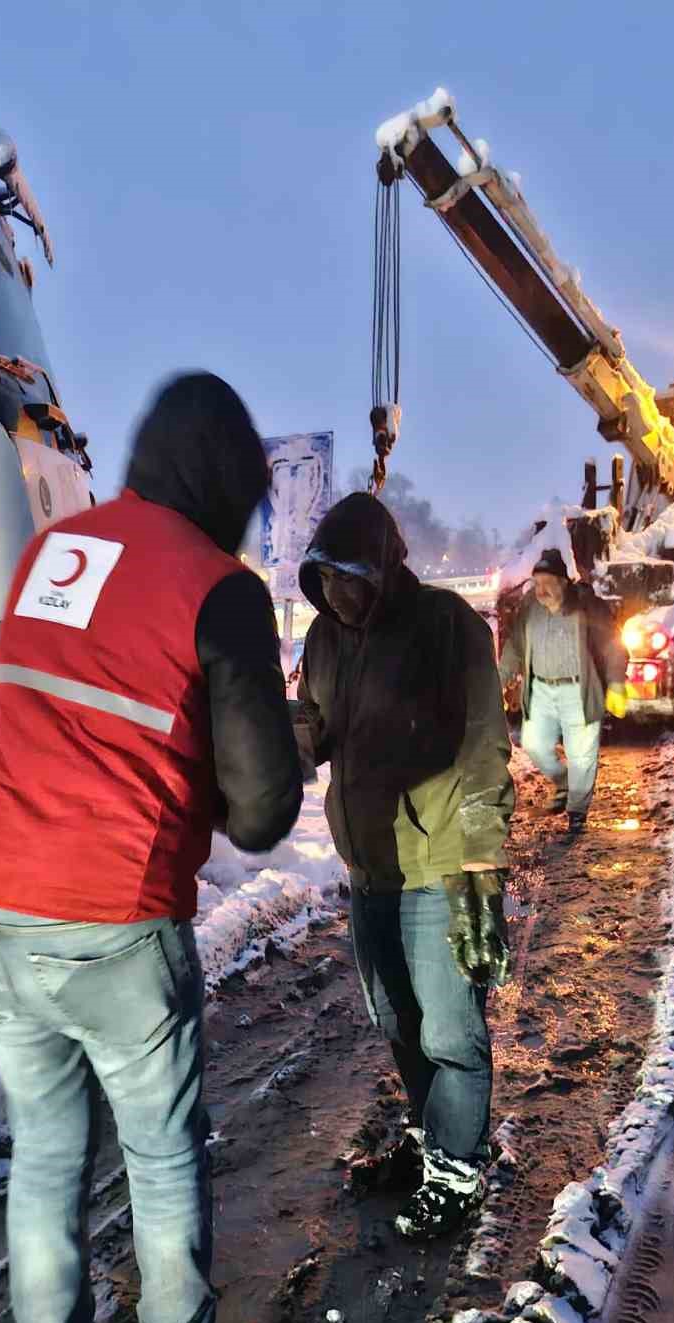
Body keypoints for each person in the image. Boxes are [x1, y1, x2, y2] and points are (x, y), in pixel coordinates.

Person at [0, 373, 303, 1323]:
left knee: (45, 1153)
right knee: (158, 1149)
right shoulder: (218, 588)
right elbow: (263, 808)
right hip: (105, 910)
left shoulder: (60, 550)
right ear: (230, 482)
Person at [293, 492, 514, 1239]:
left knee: (450, 1031)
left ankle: (458, 1170)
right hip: (369, 867)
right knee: (396, 1019)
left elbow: (485, 744)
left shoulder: (447, 627)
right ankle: (427, 1142)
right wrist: (273, 740)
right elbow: (311, 727)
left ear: (385, 569)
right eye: (322, 578)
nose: (334, 593)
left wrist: (482, 868)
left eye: (348, 577)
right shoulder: (323, 640)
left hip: (441, 860)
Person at [499, 548, 627, 834]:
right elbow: (515, 646)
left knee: (581, 753)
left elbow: (612, 643)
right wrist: (500, 679)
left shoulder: (585, 606)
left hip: (577, 688)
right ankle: (563, 781)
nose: (540, 590)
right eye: (536, 583)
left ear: (564, 582)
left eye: (547, 583)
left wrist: (616, 682)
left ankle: (577, 813)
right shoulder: (530, 607)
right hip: (541, 688)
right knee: (534, 745)